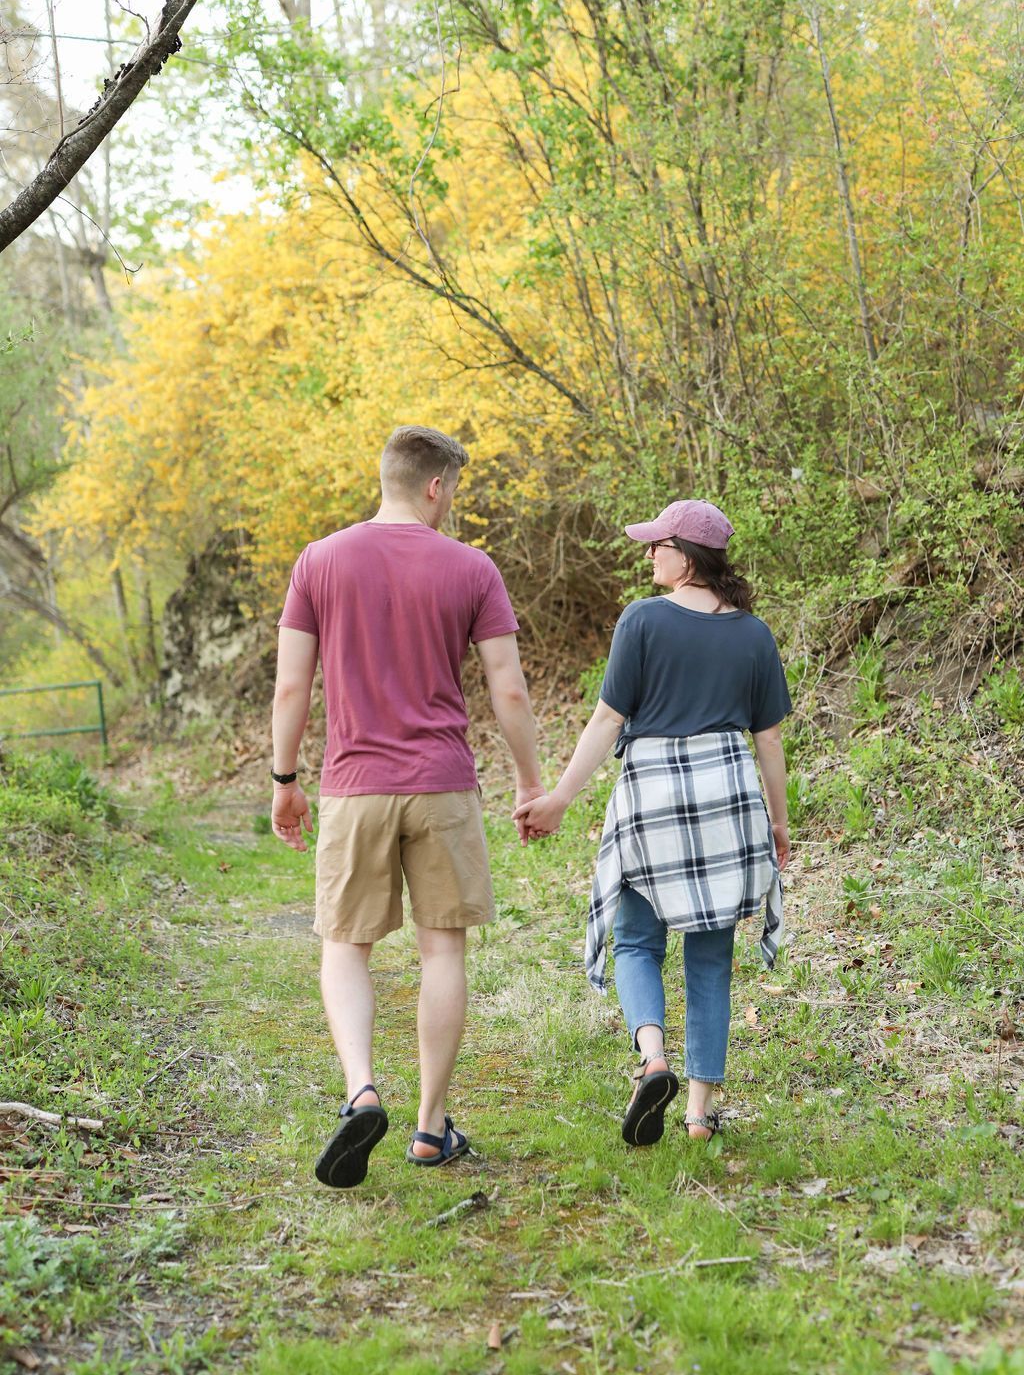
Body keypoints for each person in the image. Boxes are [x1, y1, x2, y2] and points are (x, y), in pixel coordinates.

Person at [270, 425, 544, 1187]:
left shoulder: (319, 561)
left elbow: (293, 686)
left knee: (344, 944)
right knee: (442, 950)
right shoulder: (472, 568)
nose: (452, 502)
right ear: (435, 485)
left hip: (354, 784)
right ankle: (429, 1129)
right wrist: (529, 782)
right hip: (443, 783)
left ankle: (361, 1089)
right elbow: (509, 689)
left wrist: (284, 780)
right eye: (453, 489)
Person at [514, 499, 790, 1146]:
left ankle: (653, 1057)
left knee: (637, 938)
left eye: (656, 545)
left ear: (685, 556)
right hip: (727, 797)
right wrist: (779, 823)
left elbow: (607, 720)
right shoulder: (752, 633)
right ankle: (698, 1114)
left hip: (653, 796)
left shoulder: (641, 622)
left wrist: (558, 797)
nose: (648, 555)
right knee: (711, 957)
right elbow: (769, 740)